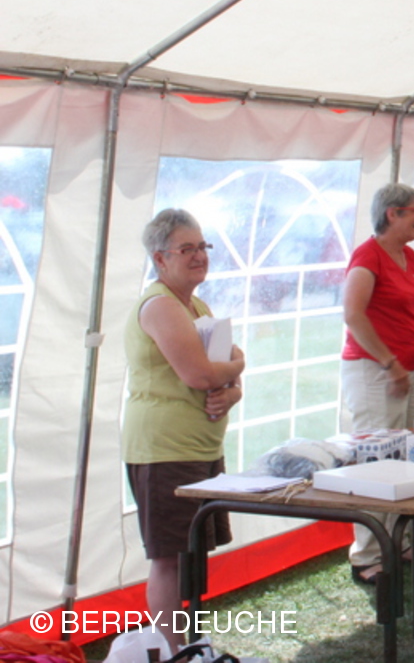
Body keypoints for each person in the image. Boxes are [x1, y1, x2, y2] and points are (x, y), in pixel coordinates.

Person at [123, 209, 245, 652]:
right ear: (160, 258)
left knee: (190, 555)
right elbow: (200, 374)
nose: (199, 256)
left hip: (197, 448)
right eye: (187, 249)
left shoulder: (197, 306)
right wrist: (236, 367)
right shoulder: (160, 305)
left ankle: (189, 646)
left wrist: (232, 390)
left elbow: (224, 373)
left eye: (203, 247)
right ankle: (175, 651)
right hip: (165, 450)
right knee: (170, 561)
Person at [341, 184, 414, 581]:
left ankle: (398, 541)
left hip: (411, 368)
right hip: (377, 372)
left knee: (407, 454)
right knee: (376, 460)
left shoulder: (408, 256)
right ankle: (367, 555)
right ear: (392, 214)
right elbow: (353, 315)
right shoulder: (367, 256)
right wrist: (390, 364)